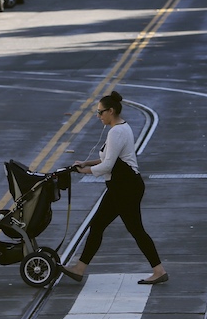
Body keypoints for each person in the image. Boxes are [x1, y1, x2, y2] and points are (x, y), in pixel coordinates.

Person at [61, 91, 168, 285]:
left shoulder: (116, 132)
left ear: (111, 111)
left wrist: (83, 171)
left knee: (133, 229)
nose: (98, 116)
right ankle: (79, 268)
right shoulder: (120, 128)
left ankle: (159, 270)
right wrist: (86, 163)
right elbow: (109, 158)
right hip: (122, 186)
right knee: (100, 226)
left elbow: (107, 166)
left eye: (100, 112)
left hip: (125, 188)